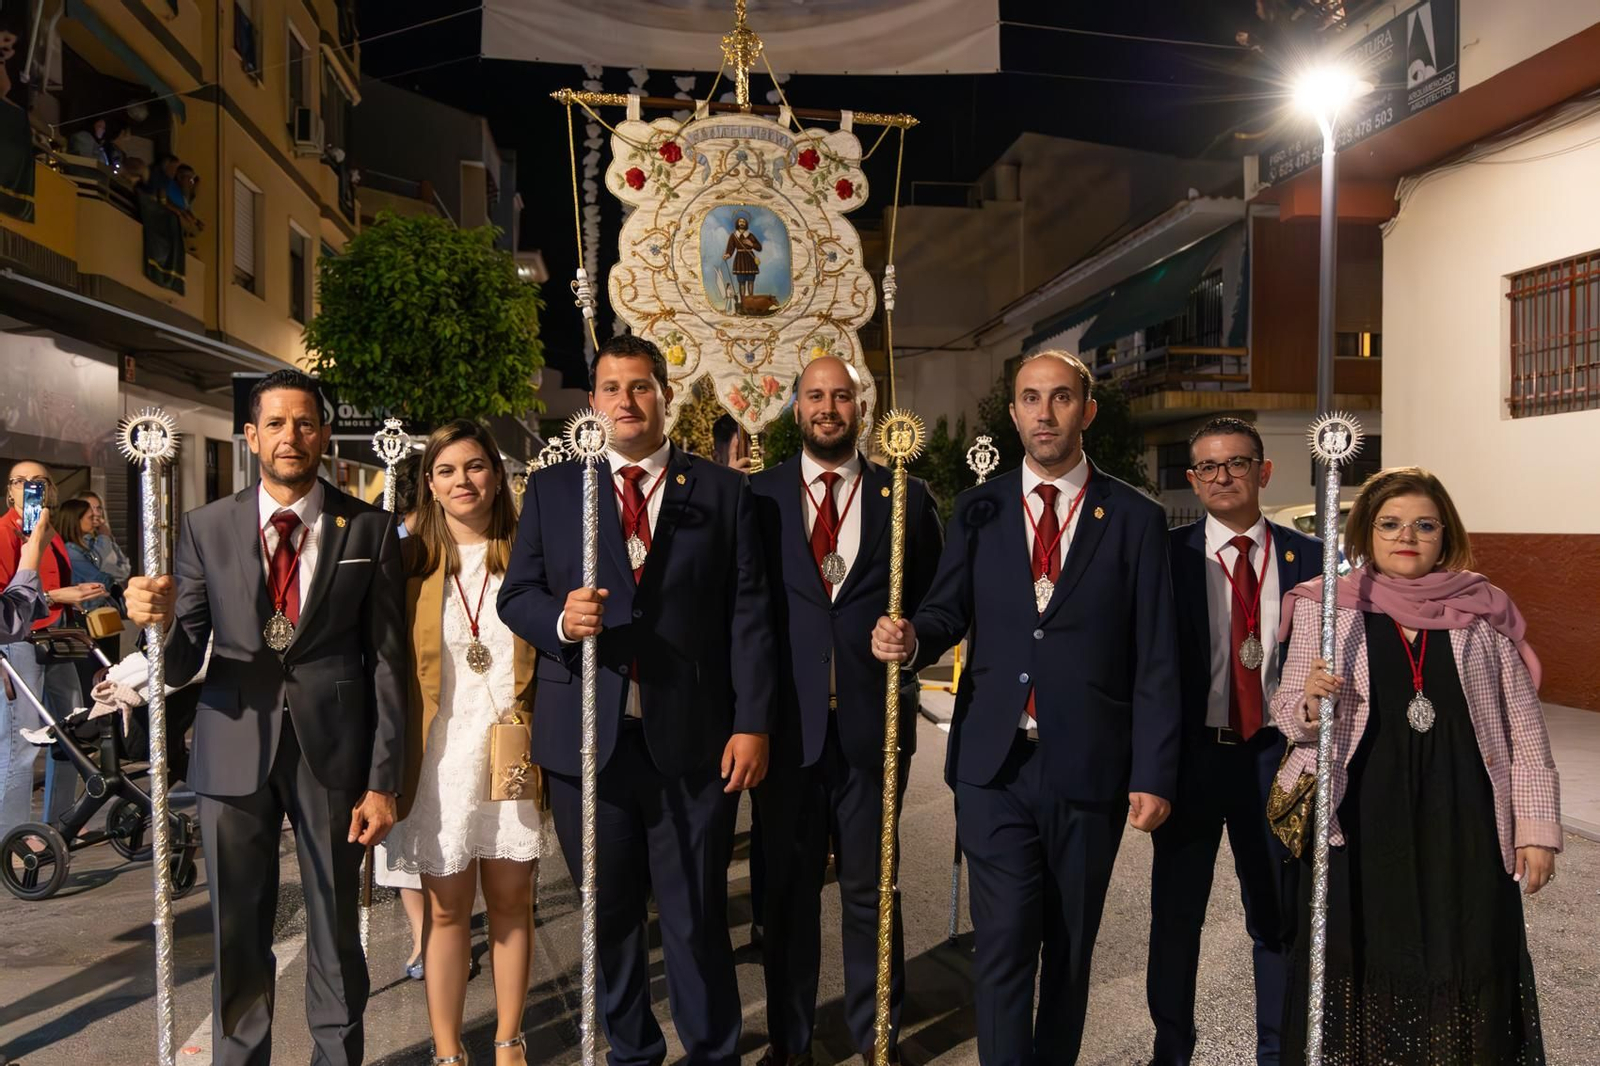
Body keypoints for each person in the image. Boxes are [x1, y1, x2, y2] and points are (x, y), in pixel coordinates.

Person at [871, 350, 1181, 1066]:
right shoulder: (979, 509)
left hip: (1089, 767)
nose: (1045, 412)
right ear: (1012, 412)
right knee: (1005, 941)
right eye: (1031, 398)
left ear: (1087, 410)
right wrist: (913, 634)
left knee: (1069, 955)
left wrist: (1155, 771)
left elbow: (1157, 655)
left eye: (1061, 397)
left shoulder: (1134, 516)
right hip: (994, 766)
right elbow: (948, 609)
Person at [498, 333, 775, 1066]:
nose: (627, 400)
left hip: (694, 742)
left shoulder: (722, 491)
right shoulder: (556, 489)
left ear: (665, 395)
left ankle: (713, 1050)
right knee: (610, 917)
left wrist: (752, 723)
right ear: (593, 402)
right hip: (588, 744)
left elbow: (749, 615)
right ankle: (632, 1051)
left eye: (641, 386)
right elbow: (515, 594)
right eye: (612, 388)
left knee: (694, 916)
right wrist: (561, 620)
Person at [124, 369, 407, 1066]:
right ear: (250, 437)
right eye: (275, 424)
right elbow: (177, 657)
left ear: (324, 433)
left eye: (305, 423)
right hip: (231, 747)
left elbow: (389, 661)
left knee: (337, 930)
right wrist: (150, 625)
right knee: (236, 934)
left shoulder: (367, 526)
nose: (291, 437)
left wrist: (383, 779)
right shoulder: (205, 527)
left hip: (335, 756)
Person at [1274, 466, 1558, 1065]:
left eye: (1424, 525)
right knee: (1367, 959)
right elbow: (1287, 718)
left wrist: (1537, 832)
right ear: (1365, 534)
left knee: (1468, 956)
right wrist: (1308, 701)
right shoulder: (1327, 607)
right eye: (1391, 524)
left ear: (1445, 533)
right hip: (1360, 824)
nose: (1408, 536)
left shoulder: (1484, 613)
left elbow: (1525, 732)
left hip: (1467, 824)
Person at [750, 356, 943, 1066]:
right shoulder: (760, 498)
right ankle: (790, 1042)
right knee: (789, 900)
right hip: (787, 730)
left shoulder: (907, 498)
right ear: (795, 408)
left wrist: (915, 635)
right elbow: (746, 610)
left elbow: (937, 602)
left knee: (870, 887)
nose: (828, 407)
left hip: (874, 730)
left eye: (841, 395)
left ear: (862, 407)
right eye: (814, 396)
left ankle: (875, 1037)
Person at [1145, 417, 1321, 1066]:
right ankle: (1172, 1052)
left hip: (1276, 759)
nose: (1223, 477)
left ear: (1264, 471)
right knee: (1176, 920)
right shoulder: (1164, 555)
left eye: (1237, 463)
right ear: (1192, 479)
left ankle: (1278, 1054)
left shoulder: (1312, 559)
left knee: (1277, 918)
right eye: (1208, 467)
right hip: (1191, 759)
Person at [386, 420, 542, 1066]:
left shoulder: (531, 555)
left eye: (475, 467)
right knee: (446, 914)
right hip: (441, 756)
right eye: (446, 471)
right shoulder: (410, 563)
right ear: (429, 483)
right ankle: (448, 1052)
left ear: (497, 474)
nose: (463, 481)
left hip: (510, 748)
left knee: (511, 904)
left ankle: (509, 1041)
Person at [1, 463, 103, 831]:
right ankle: (9, 837)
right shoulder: (3, 532)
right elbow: (7, 602)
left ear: (51, 491)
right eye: (21, 482)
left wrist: (71, 599)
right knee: (20, 744)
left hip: (58, 637)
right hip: (20, 644)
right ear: (10, 491)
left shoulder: (52, 533)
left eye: (40, 481)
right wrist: (60, 595)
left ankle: (62, 825)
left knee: (70, 734)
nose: (31, 487)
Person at [57, 497, 126, 700]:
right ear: (76, 520)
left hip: (102, 616)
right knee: (93, 674)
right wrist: (106, 541)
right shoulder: (70, 550)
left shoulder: (89, 546)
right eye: (90, 516)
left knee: (108, 670)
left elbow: (121, 568)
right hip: (85, 617)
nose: (95, 520)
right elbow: (102, 577)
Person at [723, 214, 762, 303]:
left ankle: (751, 301)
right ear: (737, 223)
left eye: (743, 221)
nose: (742, 223)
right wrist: (728, 255)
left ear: (746, 223)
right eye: (740, 221)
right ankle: (744, 302)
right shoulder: (733, 236)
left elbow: (759, 247)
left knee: (751, 281)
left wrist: (751, 244)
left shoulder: (750, 235)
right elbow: (730, 248)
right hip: (739, 260)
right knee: (741, 282)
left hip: (750, 259)